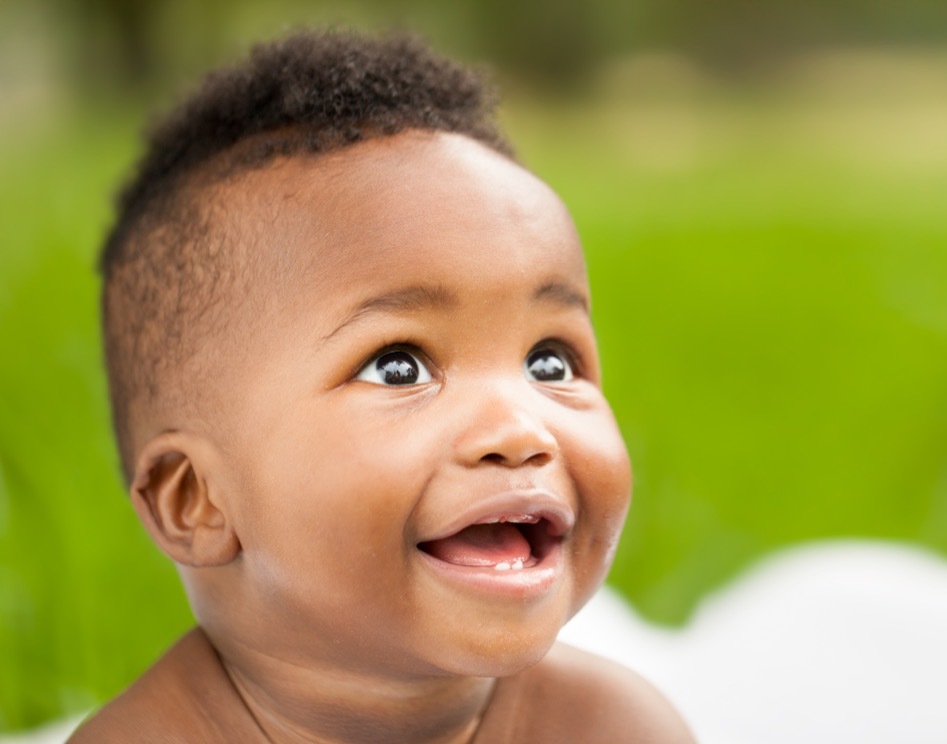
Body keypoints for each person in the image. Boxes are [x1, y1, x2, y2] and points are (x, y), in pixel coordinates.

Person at [70, 29, 694, 743]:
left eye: (549, 362)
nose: (522, 428)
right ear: (197, 501)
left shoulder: (607, 728)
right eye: (399, 365)